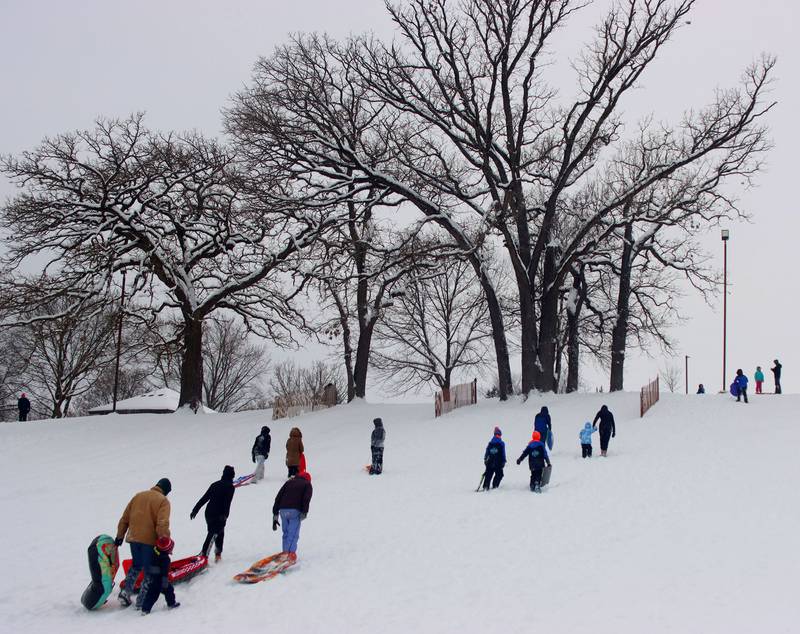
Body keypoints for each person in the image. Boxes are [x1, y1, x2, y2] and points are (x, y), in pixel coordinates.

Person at [115, 478, 172, 608]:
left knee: (136, 565)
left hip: (133, 538)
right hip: (149, 541)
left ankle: (125, 592)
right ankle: (142, 600)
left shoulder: (138, 496)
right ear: (166, 491)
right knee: (150, 570)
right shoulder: (163, 501)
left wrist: (119, 536)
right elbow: (162, 523)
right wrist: (164, 541)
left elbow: (125, 519)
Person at [190, 465, 235, 561]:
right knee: (214, 533)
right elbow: (227, 502)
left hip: (208, 513)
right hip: (219, 515)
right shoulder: (230, 487)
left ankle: (218, 555)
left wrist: (195, 510)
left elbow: (204, 498)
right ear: (232, 476)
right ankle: (204, 555)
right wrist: (225, 515)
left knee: (219, 532)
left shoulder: (215, 484)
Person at [272, 471, 313, 559]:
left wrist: (275, 514)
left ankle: (285, 552)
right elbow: (306, 499)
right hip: (295, 511)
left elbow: (278, 497)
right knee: (293, 533)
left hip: (283, 510)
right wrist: (304, 512)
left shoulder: (288, 482)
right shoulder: (307, 484)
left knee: (286, 533)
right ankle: (289, 554)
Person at [140, 536, 180, 614]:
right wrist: (164, 581)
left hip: (152, 576)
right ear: (167, 550)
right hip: (160, 579)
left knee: (151, 594)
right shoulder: (165, 559)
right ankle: (171, 604)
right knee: (168, 590)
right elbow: (164, 572)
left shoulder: (155, 551)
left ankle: (145, 609)